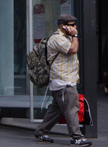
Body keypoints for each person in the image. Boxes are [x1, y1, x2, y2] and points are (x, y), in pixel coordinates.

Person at [35, 14, 92, 145]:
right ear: (63, 26)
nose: (75, 27)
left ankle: (41, 131)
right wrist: (75, 35)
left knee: (56, 110)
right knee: (71, 109)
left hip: (65, 80)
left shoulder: (66, 37)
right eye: (72, 25)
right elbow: (73, 49)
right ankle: (76, 137)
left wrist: (72, 36)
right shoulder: (57, 38)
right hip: (63, 81)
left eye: (74, 25)